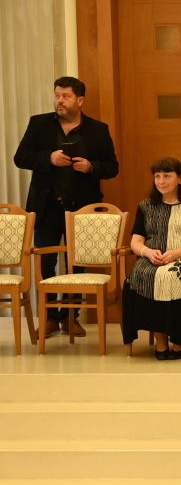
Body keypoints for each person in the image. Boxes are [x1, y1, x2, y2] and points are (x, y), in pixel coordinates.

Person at [13, 76, 119, 338]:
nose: (59, 101)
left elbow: (112, 167)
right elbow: (20, 157)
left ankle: (71, 317)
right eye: (57, 95)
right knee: (46, 263)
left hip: (80, 210)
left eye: (66, 96)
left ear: (80, 100)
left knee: (76, 265)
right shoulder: (39, 124)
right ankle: (49, 318)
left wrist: (91, 167)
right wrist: (48, 158)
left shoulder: (98, 130)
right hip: (46, 206)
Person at [122, 158, 181, 359]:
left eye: (167, 176)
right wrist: (147, 252)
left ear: (180, 179)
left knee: (171, 276)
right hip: (152, 258)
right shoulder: (146, 206)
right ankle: (160, 341)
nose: (161, 181)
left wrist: (177, 253)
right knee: (140, 275)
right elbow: (136, 241)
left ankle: (180, 340)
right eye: (158, 176)